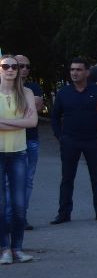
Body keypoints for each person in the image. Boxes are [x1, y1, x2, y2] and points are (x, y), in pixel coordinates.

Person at [50, 58, 97, 224]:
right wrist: (60, 136)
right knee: (67, 178)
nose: (74, 73)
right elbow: (55, 116)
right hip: (70, 141)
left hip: (93, 140)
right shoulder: (63, 93)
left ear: (87, 72)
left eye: (79, 70)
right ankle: (64, 213)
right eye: (72, 70)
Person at [0, 56, 38, 264]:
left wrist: (3, 121)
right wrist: (18, 122)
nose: (10, 70)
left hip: (18, 153)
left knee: (19, 204)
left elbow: (32, 122)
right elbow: (25, 122)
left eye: (14, 66)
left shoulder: (26, 93)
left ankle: (17, 248)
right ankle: (4, 248)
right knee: (1, 204)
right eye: (5, 66)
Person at [15, 56, 42, 231]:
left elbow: (35, 110)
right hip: (9, 142)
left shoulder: (33, 87)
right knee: (9, 182)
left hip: (30, 140)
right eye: (20, 66)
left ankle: (21, 217)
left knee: (27, 181)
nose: (24, 69)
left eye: (27, 66)